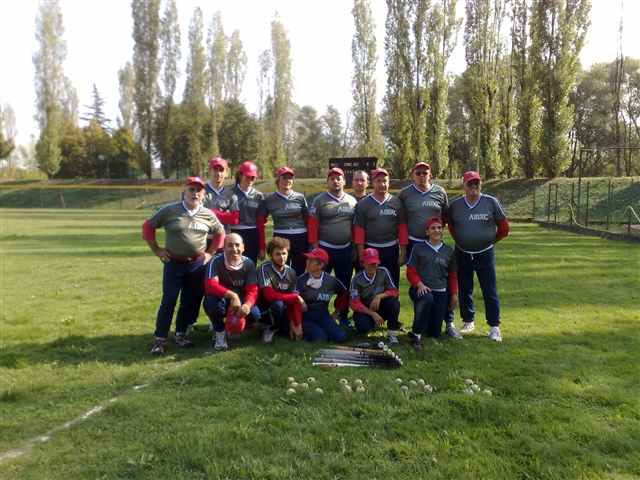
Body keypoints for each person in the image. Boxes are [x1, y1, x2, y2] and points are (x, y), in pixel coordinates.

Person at [143, 177, 224, 355]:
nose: (195, 193)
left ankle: (181, 333)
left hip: (197, 264)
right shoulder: (170, 210)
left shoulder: (208, 214)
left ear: (203, 194)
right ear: (184, 192)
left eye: (198, 191)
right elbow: (148, 226)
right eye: (191, 190)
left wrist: (210, 253)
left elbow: (220, 232)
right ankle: (160, 339)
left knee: (189, 301)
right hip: (174, 263)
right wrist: (156, 250)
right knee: (169, 300)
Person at [398, 162, 461, 340]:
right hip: (414, 243)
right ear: (413, 175)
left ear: (430, 175)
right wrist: (403, 249)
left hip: (434, 242)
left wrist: (435, 233)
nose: (421, 176)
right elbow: (402, 221)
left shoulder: (440, 192)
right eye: (418, 173)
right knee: (417, 280)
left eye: (425, 173)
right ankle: (421, 317)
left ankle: (449, 322)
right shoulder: (405, 193)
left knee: (440, 276)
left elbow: (444, 216)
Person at [446, 171, 510, 342]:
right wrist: (462, 240)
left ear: (481, 185)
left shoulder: (490, 202)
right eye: (470, 183)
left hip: (484, 254)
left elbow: (504, 228)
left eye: (477, 183)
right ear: (463, 186)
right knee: (465, 288)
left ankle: (494, 326)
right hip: (462, 253)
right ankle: (468, 321)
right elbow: (451, 226)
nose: (474, 186)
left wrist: (490, 241)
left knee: (489, 290)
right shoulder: (456, 205)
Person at [308, 167, 357, 329]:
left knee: (344, 286)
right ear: (327, 182)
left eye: (339, 178)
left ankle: (343, 316)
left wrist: (355, 248)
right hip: (325, 250)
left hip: (345, 250)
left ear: (344, 181)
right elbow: (313, 226)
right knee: (319, 284)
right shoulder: (320, 200)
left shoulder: (352, 201)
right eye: (332, 178)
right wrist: (315, 251)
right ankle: (316, 314)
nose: (336, 181)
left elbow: (355, 228)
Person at [406, 217, 458, 349]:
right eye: (433, 228)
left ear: (442, 231)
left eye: (439, 228)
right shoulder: (419, 248)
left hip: (440, 291)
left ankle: (425, 322)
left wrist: (454, 295)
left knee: (435, 333)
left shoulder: (448, 250)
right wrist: (419, 284)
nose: (436, 230)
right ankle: (416, 335)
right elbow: (410, 272)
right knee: (426, 298)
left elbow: (452, 275)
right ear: (427, 232)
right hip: (421, 289)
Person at [203, 233, 261, 351]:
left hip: (240, 300)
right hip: (221, 298)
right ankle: (219, 332)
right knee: (213, 305)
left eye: (237, 245)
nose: (234, 249)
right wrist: (232, 295)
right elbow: (210, 285)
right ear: (223, 248)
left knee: (255, 314)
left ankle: (233, 327)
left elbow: (253, 289)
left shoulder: (248, 263)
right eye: (230, 245)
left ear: (243, 247)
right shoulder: (216, 261)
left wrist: (247, 305)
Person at [353, 168, 408, 287]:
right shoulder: (364, 203)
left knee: (392, 285)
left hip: (390, 249)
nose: (382, 184)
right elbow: (359, 230)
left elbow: (402, 228)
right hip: (370, 249)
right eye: (378, 181)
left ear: (389, 183)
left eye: (385, 181)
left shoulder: (396, 202)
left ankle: (391, 306)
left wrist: (403, 252)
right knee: (369, 286)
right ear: (372, 182)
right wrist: (362, 254)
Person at [290, 248, 348, 343]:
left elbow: (344, 293)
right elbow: (294, 303)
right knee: (320, 339)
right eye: (308, 260)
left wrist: (337, 312)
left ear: (321, 265)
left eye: (311, 261)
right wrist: (298, 324)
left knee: (340, 338)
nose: (307, 263)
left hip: (323, 315)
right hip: (306, 316)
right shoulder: (301, 280)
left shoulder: (331, 281)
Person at [260, 167, 309, 276]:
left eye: (290, 178)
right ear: (278, 180)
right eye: (284, 177)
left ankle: (297, 292)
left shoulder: (300, 197)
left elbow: (307, 219)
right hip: (280, 236)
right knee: (281, 268)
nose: (287, 180)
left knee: (299, 267)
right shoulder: (269, 200)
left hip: (300, 236)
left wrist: (311, 241)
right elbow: (262, 219)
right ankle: (283, 292)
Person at [257, 237, 306, 343]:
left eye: (284, 253)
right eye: (278, 254)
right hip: (262, 307)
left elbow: (291, 303)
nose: (282, 257)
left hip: (280, 308)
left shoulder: (291, 273)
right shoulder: (264, 268)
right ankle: (269, 327)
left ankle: (275, 324)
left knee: (287, 334)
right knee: (278, 304)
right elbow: (269, 296)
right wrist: (295, 297)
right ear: (270, 255)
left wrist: (295, 325)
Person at [349, 248, 401, 346]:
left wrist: (380, 296)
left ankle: (391, 333)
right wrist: (373, 314)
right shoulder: (357, 279)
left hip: (381, 305)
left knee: (394, 303)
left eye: (374, 263)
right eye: (369, 263)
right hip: (366, 309)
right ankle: (370, 325)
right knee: (362, 327)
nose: (372, 266)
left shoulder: (384, 272)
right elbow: (354, 302)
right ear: (363, 263)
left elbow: (394, 291)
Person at [230, 161, 266, 264]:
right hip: (235, 232)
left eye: (253, 177)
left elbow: (260, 222)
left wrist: (262, 246)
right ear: (240, 175)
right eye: (248, 176)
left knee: (250, 265)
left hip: (252, 234)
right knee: (233, 265)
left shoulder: (258, 196)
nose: (250, 179)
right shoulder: (230, 193)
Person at [203, 157, 239, 241]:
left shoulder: (231, 195)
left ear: (226, 173)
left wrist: (208, 211)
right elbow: (197, 215)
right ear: (209, 171)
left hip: (224, 238)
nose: (218, 173)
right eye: (215, 169)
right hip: (203, 237)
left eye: (221, 170)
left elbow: (234, 219)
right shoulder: (201, 191)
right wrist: (225, 216)